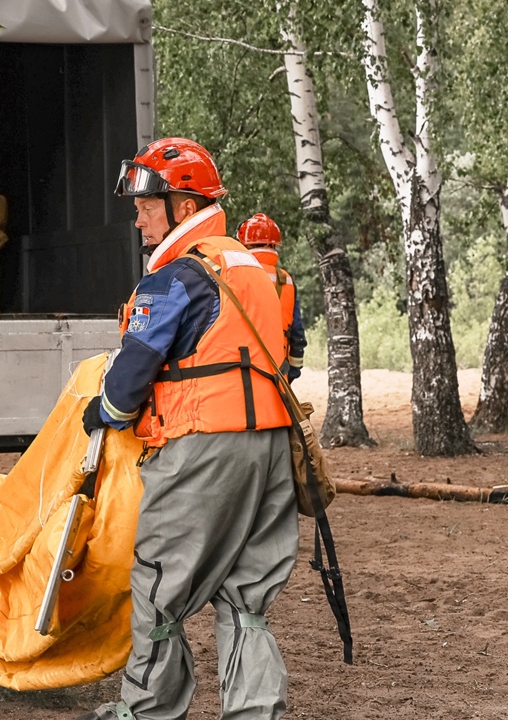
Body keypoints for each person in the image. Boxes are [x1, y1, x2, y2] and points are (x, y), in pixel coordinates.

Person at [77, 138, 298, 720]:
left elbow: (129, 382)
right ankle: (256, 711)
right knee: (247, 593)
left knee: (158, 584)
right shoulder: (249, 264)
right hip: (272, 444)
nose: (139, 218)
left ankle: (145, 711)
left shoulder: (175, 276)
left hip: (204, 445)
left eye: (149, 205)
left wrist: (103, 411)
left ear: (184, 205)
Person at [237, 213, 306, 382]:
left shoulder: (232, 275)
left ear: (243, 244)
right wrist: (291, 373)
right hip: (278, 370)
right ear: (273, 245)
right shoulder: (286, 280)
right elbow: (297, 334)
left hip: (241, 369)